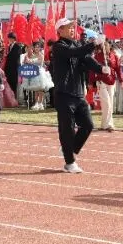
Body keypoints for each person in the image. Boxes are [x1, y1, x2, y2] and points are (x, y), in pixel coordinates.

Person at [49, 19, 107, 173]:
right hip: (63, 94)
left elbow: (87, 59)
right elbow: (74, 53)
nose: (72, 30)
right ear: (60, 30)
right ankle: (69, 162)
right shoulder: (58, 47)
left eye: (73, 27)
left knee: (88, 125)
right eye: (69, 27)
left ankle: (69, 149)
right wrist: (94, 44)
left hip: (78, 94)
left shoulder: (77, 45)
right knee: (67, 129)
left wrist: (101, 69)